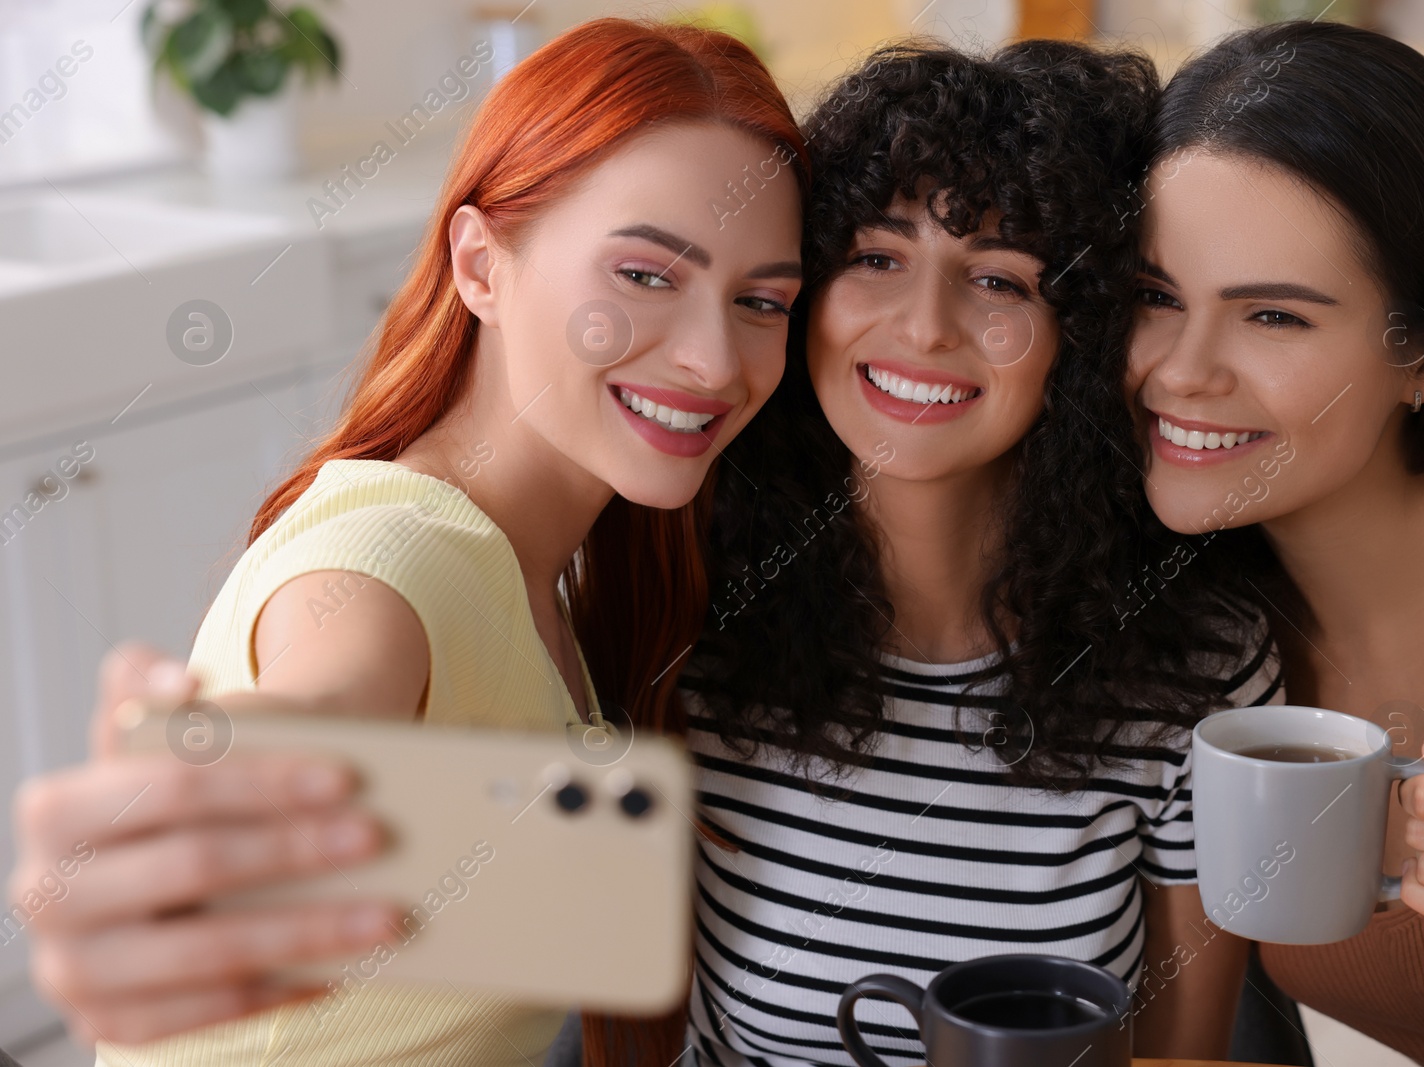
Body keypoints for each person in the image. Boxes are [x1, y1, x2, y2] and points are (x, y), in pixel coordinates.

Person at [5, 18, 805, 1067]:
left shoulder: (537, 568)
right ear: (480, 264)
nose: (712, 359)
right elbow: (324, 699)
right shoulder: (401, 560)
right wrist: (175, 847)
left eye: (760, 301)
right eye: (646, 275)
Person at [679, 40, 1282, 1066]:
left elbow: (1186, 1055)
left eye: (998, 279)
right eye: (876, 256)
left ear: (1077, 333)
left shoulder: (1197, 666)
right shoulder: (691, 619)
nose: (923, 325)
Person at [1126, 20, 1424, 1066]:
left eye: (1274, 317)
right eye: (1154, 298)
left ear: (1422, 355)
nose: (1182, 371)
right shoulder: (1177, 626)